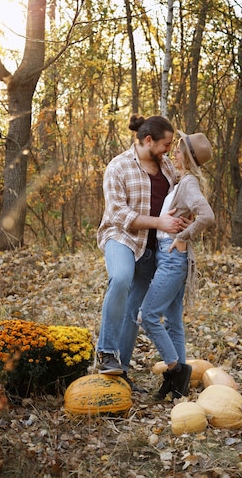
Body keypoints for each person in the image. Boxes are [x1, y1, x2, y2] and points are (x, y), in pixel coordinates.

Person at [96, 114, 185, 381]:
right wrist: (160, 222)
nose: (168, 149)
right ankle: (106, 352)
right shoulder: (118, 167)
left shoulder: (167, 167)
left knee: (133, 309)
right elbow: (118, 214)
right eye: (166, 144)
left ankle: (119, 371)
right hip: (121, 237)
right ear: (149, 140)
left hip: (152, 246)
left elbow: (180, 195)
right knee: (121, 278)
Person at [138, 131, 215, 400]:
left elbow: (207, 215)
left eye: (179, 151)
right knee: (172, 321)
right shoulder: (181, 181)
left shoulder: (189, 182)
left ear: (189, 158)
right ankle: (179, 388)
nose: (174, 154)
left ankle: (175, 369)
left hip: (172, 258)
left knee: (147, 316)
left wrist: (184, 235)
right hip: (167, 256)